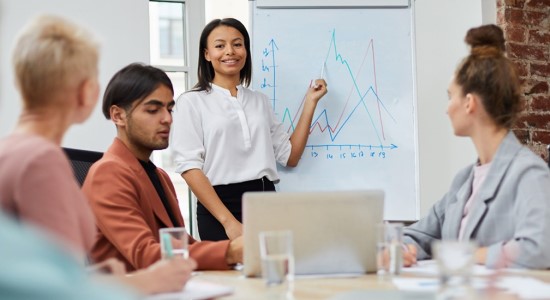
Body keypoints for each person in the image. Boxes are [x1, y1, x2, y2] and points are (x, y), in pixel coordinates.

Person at [0, 15, 196, 295]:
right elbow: (59, 291)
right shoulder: (41, 160)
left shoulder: (10, 150)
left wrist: (101, 277)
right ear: (86, 92)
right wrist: (147, 281)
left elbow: (34, 269)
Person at [401, 24, 550, 269]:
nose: (447, 108)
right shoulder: (464, 181)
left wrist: (469, 256)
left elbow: (540, 248)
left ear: (469, 103)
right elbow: (421, 235)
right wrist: (404, 249)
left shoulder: (529, 173)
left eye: (451, 97)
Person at [171, 18, 328, 241]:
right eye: (219, 45)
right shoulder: (190, 102)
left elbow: (290, 156)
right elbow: (189, 167)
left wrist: (311, 102)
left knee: (273, 271)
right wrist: (229, 222)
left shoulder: (259, 101)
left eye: (237, 44)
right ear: (206, 54)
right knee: (227, 275)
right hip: (220, 208)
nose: (230, 52)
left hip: (266, 202)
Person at [82, 63, 243, 272]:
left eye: (169, 109)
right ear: (118, 116)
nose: (167, 119)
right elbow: (146, 255)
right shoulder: (108, 174)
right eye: (152, 110)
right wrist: (231, 251)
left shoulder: (159, 176)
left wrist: (238, 253)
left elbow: (182, 246)